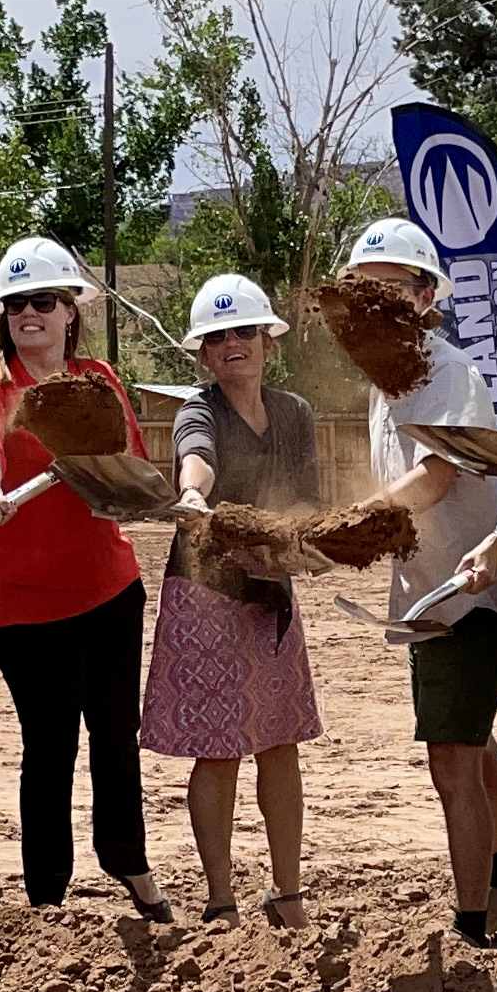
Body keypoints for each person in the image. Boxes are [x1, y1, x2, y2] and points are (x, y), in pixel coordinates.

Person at [0, 236, 170, 919]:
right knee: (50, 743)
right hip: (20, 598)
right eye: (16, 304)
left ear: (70, 310)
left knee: (114, 732)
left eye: (43, 301)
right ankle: (46, 894)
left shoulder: (98, 380)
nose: (29, 313)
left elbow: (128, 463)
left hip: (105, 587)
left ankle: (128, 864)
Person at [347, 218, 497, 946]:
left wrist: (366, 515)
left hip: (473, 591)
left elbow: (437, 474)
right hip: (427, 595)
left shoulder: (445, 371)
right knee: (471, 735)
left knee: (449, 760)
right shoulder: (384, 379)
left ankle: (473, 926)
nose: (376, 305)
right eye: (365, 292)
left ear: (428, 298)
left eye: (394, 290)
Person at [141, 271, 323, 925]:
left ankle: (289, 894)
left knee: (280, 742)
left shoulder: (297, 414)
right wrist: (192, 495)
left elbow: (308, 503)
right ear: (204, 355)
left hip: (269, 592)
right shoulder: (199, 409)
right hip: (207, 594)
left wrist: (313, 545)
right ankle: (220, 900)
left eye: (244, 330)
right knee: (217, 748)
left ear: (267, 343)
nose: (232, 344)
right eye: (218, 338)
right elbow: (197, 458)